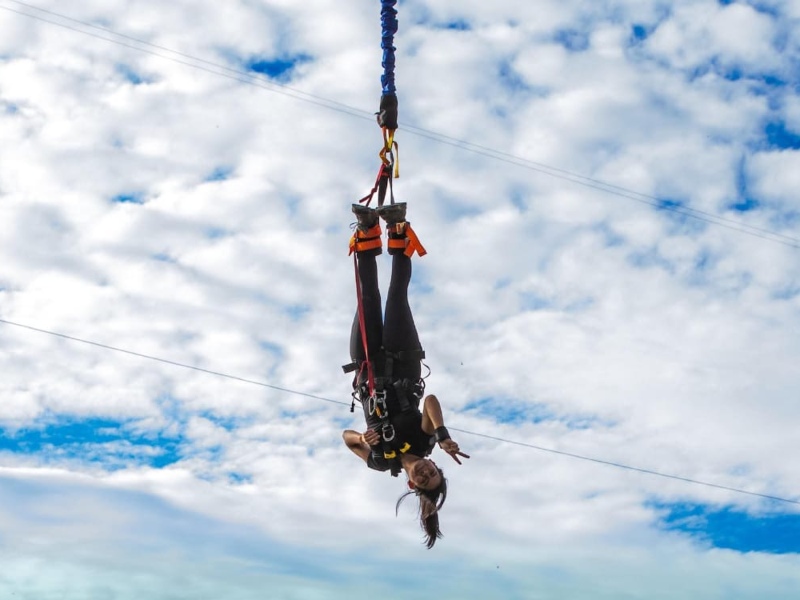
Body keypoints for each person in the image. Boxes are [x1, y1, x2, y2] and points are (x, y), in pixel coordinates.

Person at [341, 201, 469, 548]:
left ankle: (367, 228)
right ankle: (397, 227)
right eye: (434, 473)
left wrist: (365, 439)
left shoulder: (383, 462)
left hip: (367, 370)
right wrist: (442, 434)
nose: (427, 473)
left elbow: (347, 437)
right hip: (404, 364)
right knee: (397, 297)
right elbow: (429, 401)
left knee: (368, 297)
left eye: (423, 480)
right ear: (436, 466)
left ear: (412, 484)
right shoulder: (427, 440)